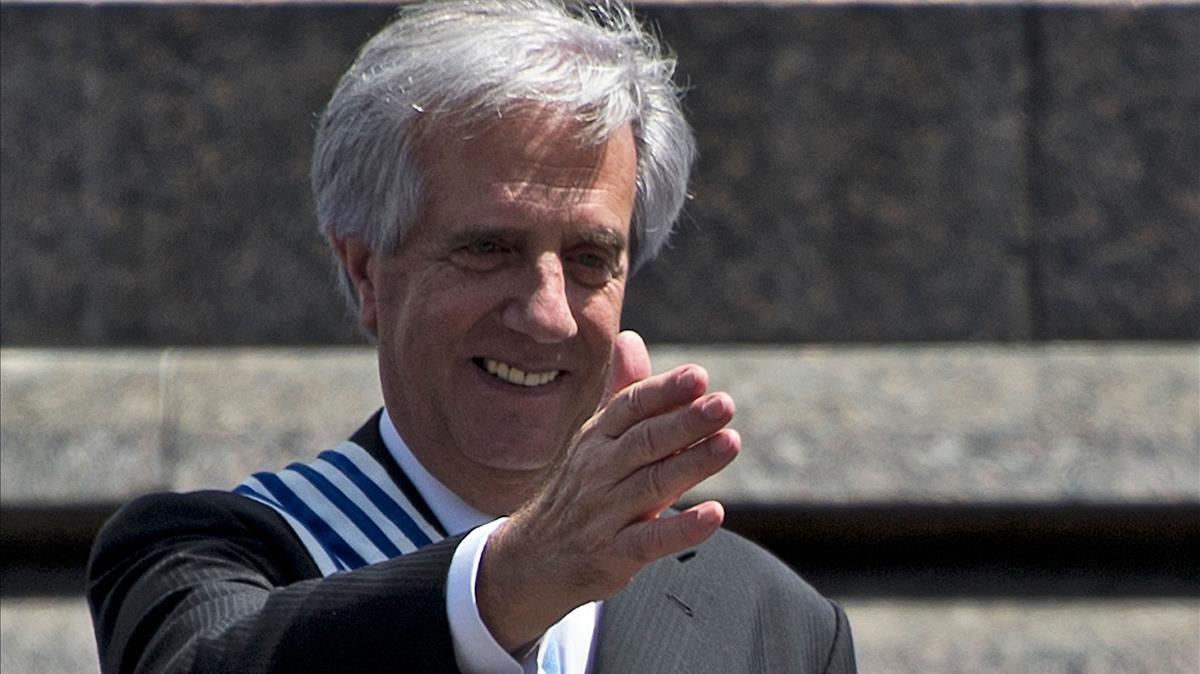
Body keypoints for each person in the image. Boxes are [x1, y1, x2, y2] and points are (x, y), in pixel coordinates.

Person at [87, 1, 857, 672]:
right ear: (366, 273)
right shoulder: (214, 557)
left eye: (591, 259)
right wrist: (513, 582)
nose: (549, 313)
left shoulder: (778, 624)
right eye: (489, 249)